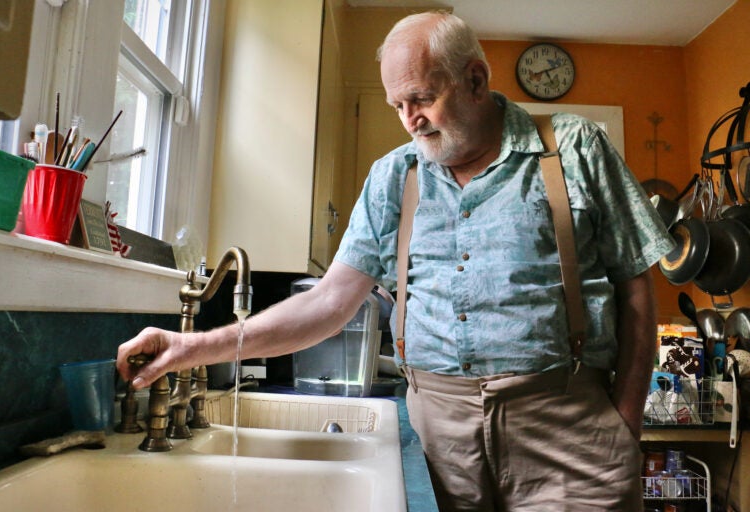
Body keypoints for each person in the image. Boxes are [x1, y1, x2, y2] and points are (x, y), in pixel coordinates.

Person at [117, 11, 675, 512]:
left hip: (568, 432)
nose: (409, 119)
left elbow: (636, 288)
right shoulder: (394, 176)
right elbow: (329, 303)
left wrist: (625, 420)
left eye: (422, 99)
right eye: (397, 106)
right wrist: (191, 347)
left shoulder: (573, 148)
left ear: (476, 80)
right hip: (440, 443)